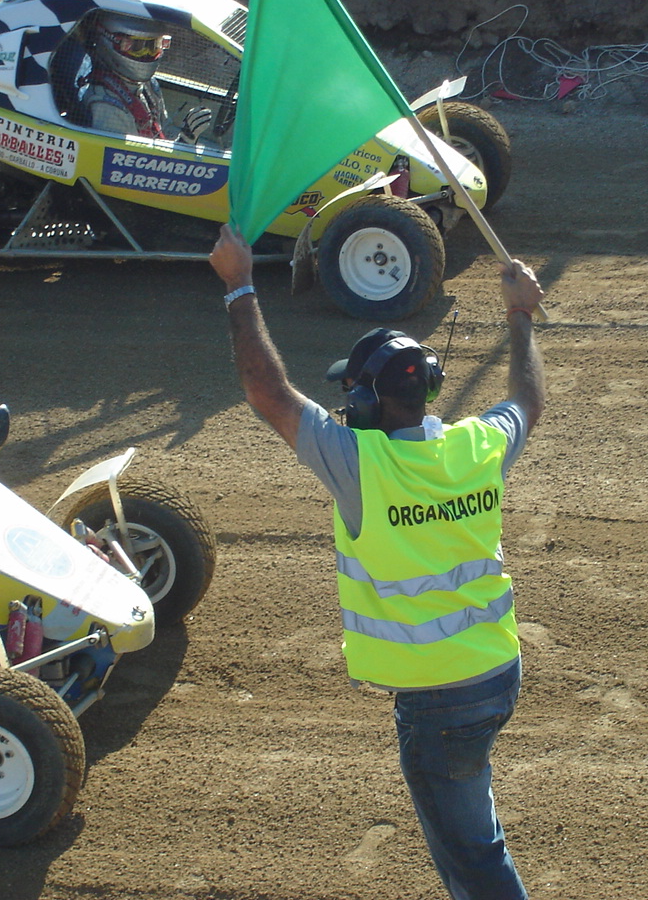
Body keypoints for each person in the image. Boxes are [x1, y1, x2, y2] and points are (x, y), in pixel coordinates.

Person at [208, 222, 546, 900]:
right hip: (496, 673)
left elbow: (268, 392)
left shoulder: (359, 464)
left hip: (440, 699)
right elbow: (527, 401)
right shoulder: (477, 446)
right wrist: (520, 316)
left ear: (363, 401)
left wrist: (239, 286)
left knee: (473, 856)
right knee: (469, 832)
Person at [79, 12, 214, 143]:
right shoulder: (106, 106)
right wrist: (185, 140)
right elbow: (127, 155)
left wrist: (184, 136)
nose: (147, 54)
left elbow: (164, 130)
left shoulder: (149, 85)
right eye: (137, 48)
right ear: (111, 42)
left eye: (154, 46)